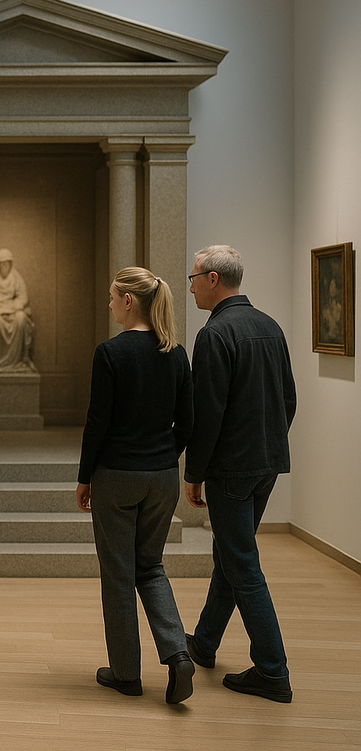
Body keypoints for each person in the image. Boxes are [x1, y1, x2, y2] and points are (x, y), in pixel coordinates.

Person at [183, 245, 297, 703]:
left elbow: (206, 415)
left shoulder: (215, 334)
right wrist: (268, 446)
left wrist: (194, 472)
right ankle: (205, 642)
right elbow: (288, 400)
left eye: (194, 278)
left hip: (230, 469)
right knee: (232, 555)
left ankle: (272, 670)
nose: (191, 287)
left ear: (213, 279)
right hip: (266, 463)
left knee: (242, 564)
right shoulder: (270, 326)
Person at [76, 267, 195, 704]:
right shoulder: (175, 353)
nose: (110, 304)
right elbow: (188, 422)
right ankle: (178, 654)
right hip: (162, 477)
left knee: (119, 574)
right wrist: (165, 455)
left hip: (117, 475)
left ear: (129, 301)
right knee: (151, 566)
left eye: (113, 297)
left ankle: (126, 673)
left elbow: (97, 422)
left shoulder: (110, 353)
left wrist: (84, 476)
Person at [0, 248, 36, 372]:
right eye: (2, 263)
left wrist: (17, 305)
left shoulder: (15, 275)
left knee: (21, 318)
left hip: (12, 307)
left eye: (7, 263)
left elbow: (22, 294)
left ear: (11, 263)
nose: (5, 266)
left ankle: (18, 360)